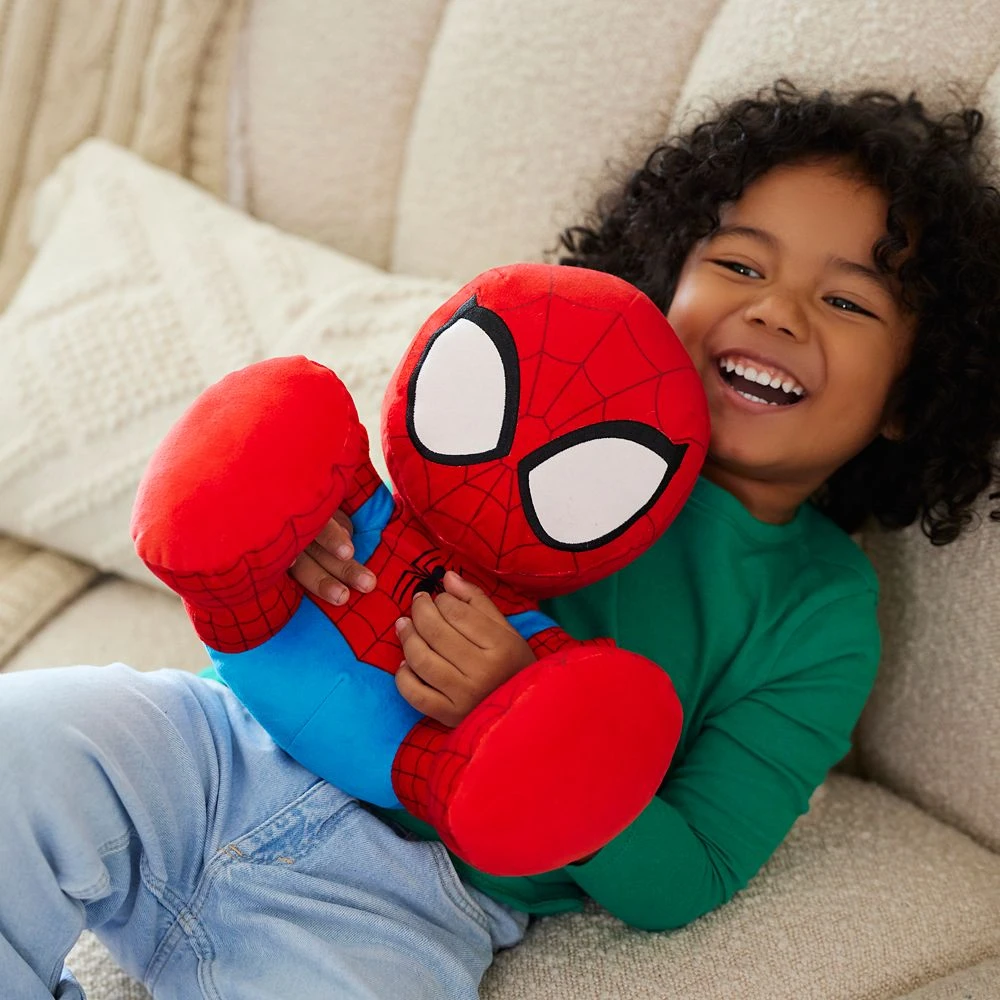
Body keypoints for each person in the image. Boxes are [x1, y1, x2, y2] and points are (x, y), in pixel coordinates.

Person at [2, 82, 999, 1000]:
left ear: (912, 396)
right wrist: (312, 539)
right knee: (24, 744)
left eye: (846, 300)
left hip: (409, 898)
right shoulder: (552, 386)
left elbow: (687, 873)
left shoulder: (819, 615)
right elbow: (388, 506)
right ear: (662, 282)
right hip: (223, 745)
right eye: (739, 263)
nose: (774, 308)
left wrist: (525, 715)